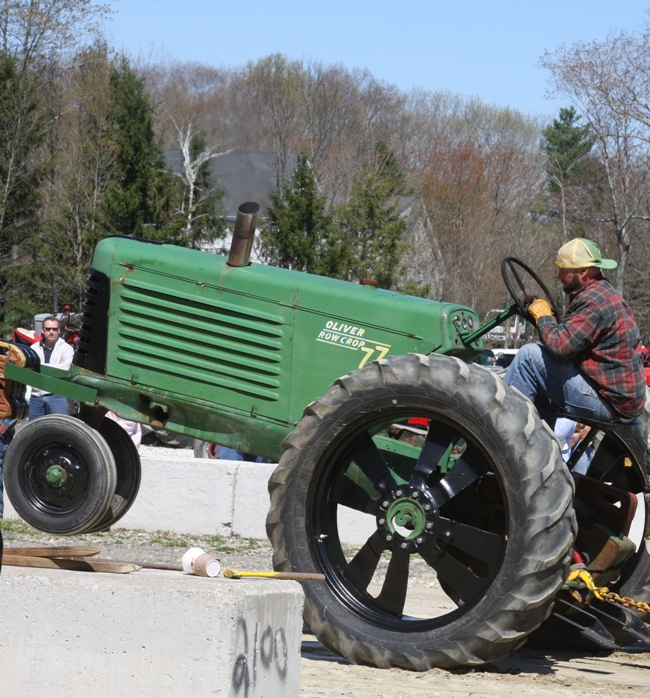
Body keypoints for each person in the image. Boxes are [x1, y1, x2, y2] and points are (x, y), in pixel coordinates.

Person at [504, 238, 646, 423]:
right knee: (541, 362)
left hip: (609, 403)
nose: (559, 276)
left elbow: (560, 347)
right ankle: (538, 439)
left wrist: (544, 318)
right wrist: (549, 319)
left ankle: (501, 435)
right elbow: (573, 339)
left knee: (528, 357)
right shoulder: (604, 292)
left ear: (583, 271)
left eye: (563, 271)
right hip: (622, 400)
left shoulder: (593, 301)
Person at [28, 316, 75, 420]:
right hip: (36, 397)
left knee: (58, 432)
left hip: (57, 396)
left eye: (54, 329)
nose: (51, 332)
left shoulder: (67, 348)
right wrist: (56, 366)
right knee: (35, 433)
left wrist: (38, 367)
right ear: (42, 330)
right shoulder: (33, 348)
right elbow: (29, 369)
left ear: (59, 331)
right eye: (48, 329)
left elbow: (63, 370)